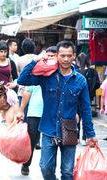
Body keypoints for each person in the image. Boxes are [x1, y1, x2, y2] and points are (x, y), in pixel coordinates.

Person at [17, 40, 98, 179]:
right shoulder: (46, 77)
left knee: (67, 172)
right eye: (62, 55)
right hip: (49, 129)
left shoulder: (80, 80)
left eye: (69, 55)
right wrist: (35, 60)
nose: (66, 59)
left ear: (74, 56)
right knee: (46, 168)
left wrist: (90, 134)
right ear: (57, 56)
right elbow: (22, 80)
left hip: (70, 131)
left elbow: (86, 109)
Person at [16, 85, 43, 176]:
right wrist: (21, 110)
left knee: (51, 141)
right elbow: (27, 92)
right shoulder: (34, 73)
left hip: (50, 112)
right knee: (31, 140)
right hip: (34, 112)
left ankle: (48, 168)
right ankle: (26, 164)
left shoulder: (56, 73)